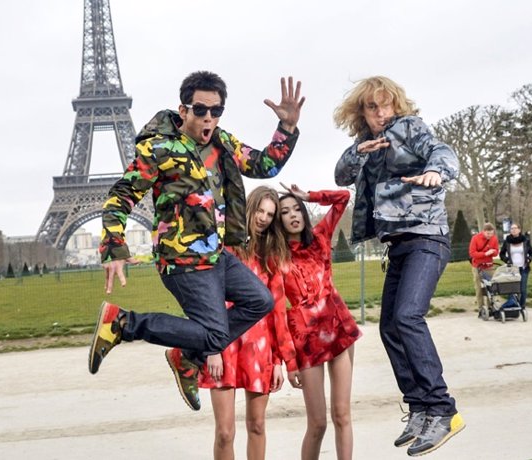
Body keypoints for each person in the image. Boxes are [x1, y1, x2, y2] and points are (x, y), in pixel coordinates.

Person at [88, 71, 306, 413]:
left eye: (216, 111)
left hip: (217, 257)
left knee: (260, 300)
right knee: (216, 336)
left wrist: (287, 128)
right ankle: (124, 323)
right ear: (184, 109)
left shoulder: (223, 143)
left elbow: (265, 165)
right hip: (182, 260)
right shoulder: (158, 149)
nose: (208, 118)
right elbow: (121, 196)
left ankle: (187, 355)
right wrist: (114, 246)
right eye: (201, 110)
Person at [333, 76, 464, 456]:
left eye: (385, 105)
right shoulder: (366, 145)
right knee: (389, 327)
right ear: (361, 111)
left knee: (407, 317)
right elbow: (341, 176)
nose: (379, 113)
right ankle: (420, 408)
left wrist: (437, 171)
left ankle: (442, 409)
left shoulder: (409, 128)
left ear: (396, 105)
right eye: (371, 107)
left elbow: (440, 150)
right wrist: (360, 151)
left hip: (427, 237)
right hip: (399, 246)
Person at [197, 185, 296, 460]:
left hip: (259, 348)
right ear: (250, 208)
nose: (264, 218)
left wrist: (278, 359)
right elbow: (208, 297)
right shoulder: (223, 248)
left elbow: (277, 310)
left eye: (270, 214)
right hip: (224, 344)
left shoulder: (271, 255)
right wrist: (212, 349)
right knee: (225, 432)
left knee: (257, 425)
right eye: (261, 210)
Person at [278, 183, 362, 460]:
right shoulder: (277, 255)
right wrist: (289, 363)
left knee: (342, 414)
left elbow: (343, 198)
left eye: (296, 209)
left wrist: (309, 195)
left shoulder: (320, 236)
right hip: (306, 339)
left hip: (338, 328)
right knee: (317, 423)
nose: (292, 215)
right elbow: (276, 309)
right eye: (284, 212)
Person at [499, 223, 532, 308]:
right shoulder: (507, 241)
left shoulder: (525, 240)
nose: (513, 230)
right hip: (512, 269)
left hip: (523, 268)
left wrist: (529, 258)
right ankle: (512, 305)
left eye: (515, 228)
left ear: (519, 230)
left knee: (522, 289)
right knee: (512, 288)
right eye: (511, 228)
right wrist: (506, 260)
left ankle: (522, 306)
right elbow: (501, 254)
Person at [469, 223, 500, 314]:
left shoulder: (494, 238)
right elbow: (472, 253)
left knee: (491, 286)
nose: (490, 236)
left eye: (491, 233)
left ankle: (491, 306)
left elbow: (496, 251)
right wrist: (485, 254)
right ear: (483, 232)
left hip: (489, 265)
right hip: (477, 266)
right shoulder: (475, 238)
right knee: (479, 287)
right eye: (488, 234)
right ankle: (480, 307)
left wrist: (493, 252)